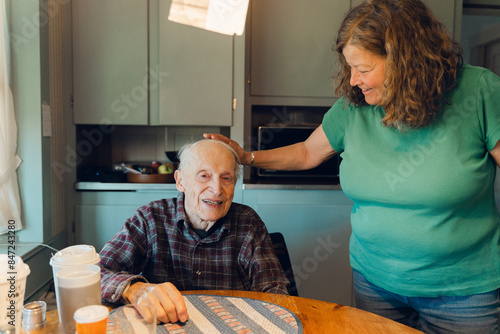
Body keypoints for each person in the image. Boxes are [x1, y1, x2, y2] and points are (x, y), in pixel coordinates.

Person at [204, 0, 500, 333]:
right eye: (349, 68)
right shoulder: (354, 107)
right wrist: (246, 157)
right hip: (376, 285)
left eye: (363, 68)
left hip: (463, 294)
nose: (354, 79)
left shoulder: (479, 92)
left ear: (404, 60)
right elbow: (306, 152)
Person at [98, 139, 289, 324]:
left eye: (226, 178)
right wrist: (135, 289)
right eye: (204, 176)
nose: (216, 190)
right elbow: (96, 272)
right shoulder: (150, 219)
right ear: (180, 181)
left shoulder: (249, 223)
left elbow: (274, 292)